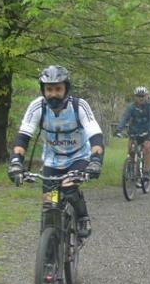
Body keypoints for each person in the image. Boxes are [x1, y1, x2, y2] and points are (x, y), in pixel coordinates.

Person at [7, 65, 103, 238]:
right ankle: (49, 246)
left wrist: (96, 161)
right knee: (50, 203)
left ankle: (82, 217)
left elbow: (95, 134)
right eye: (49, 89)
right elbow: (23, 137)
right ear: (43, 90)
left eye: (58, 89)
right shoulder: (37, 107)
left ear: (66, 89)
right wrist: (15, 162)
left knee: (69, 187)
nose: (53, 94)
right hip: (52, 160)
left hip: (78, 157)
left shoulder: (79, 106)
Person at [114, 86, 150, 181]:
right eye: (138, 96)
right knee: (131, 150)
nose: (141, 98)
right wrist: (118, 129)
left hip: (147, 132)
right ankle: (133, 169)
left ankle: (146, 171)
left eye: (143, 96)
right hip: (134, 132)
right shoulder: (131, 107)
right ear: (135, 97)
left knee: (147, 147)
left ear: (147, 96)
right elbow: (124, 118)